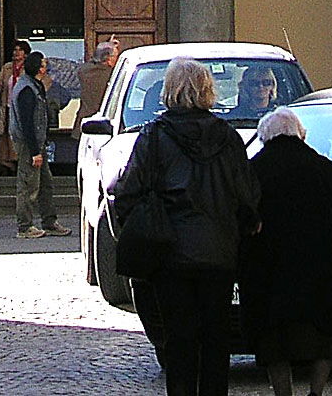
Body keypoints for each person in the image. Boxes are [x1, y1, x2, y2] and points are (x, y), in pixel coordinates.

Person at [111, 57, 261, 396]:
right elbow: (247, 194)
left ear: (169, 91)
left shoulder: (154, 136)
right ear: (207, 90)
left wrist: (139, 228)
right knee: (215, 342)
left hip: (170, 255)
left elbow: (127, 192)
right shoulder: (228, 137)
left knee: (178, 342)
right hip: (219, 254)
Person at [241, 108, 332, 396]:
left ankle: (283, 392)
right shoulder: (327, 171)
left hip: (269, 275)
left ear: (265, 137)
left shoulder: (253, 172)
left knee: (273, 340)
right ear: (300, 134)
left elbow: (242, 224)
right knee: (325, 336)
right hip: (321, 275)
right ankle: (316, 391)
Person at [9, 51, 70, 238]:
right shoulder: (27, 89)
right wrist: (35, 151)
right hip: (30, 144)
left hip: (37, 142)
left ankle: (49, 222)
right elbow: (27, 122)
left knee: (45, 184)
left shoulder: (35, 86)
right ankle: (25, 226)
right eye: (44, 64)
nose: (46, 68)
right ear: (39, 68)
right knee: (28, 185)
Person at [0, 40, 29, 172]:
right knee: (7, 133)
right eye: (15, 50)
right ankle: (7, 160)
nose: (16, 53)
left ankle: (21, 159)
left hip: (22, 107)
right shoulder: (7, 68)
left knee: (21, 133)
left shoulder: (28, 68)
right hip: (8, 105)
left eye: (20, 50)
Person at [75, 36, 121, 136]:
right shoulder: (113, 75)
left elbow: (93, 61)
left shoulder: (84, 71)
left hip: (83, 126)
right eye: (116, 57)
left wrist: (106, 45)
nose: (117, 60)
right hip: (104, 128)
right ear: (109, 59)